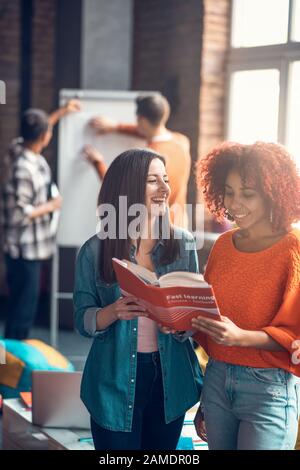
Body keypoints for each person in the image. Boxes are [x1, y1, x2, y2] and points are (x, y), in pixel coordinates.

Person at [73, 148, 203, 450]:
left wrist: (182, 325)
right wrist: (113, 312)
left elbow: (193, 320)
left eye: (165, 179)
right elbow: (82, 318)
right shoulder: (94, 250)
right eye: (153, 181)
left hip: (171, 379)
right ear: (127, 186)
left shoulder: (182, 243)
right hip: (113, 380)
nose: (165, 188)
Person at [192, 141, 300, 450]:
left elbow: (296, 335)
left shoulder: (294, 248)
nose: (235, 203)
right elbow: (209, 313)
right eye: (229, 191)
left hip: (268, 387)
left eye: (248, 194)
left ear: (273, 194)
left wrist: (242, 337)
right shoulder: (224, 246)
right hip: (217, 379)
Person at [1, 100, 81, 339]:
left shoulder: (22, 151)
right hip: (23, 250)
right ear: (45, 137)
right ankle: (12, 369)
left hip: (32, 248)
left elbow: (38, 129)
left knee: (23, 307)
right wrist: (51, 206)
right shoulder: (23, 168)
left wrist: (59, 113)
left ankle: (11, 364)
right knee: (21, 312)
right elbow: (18, 214)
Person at [87, 94, 192, 228]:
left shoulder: (148, 159)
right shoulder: (182, 141)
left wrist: (98, 163)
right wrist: (116, 127)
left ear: (141, 120)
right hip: (180, 224)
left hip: (158, 230)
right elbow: (148, 132)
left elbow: (120, 186)